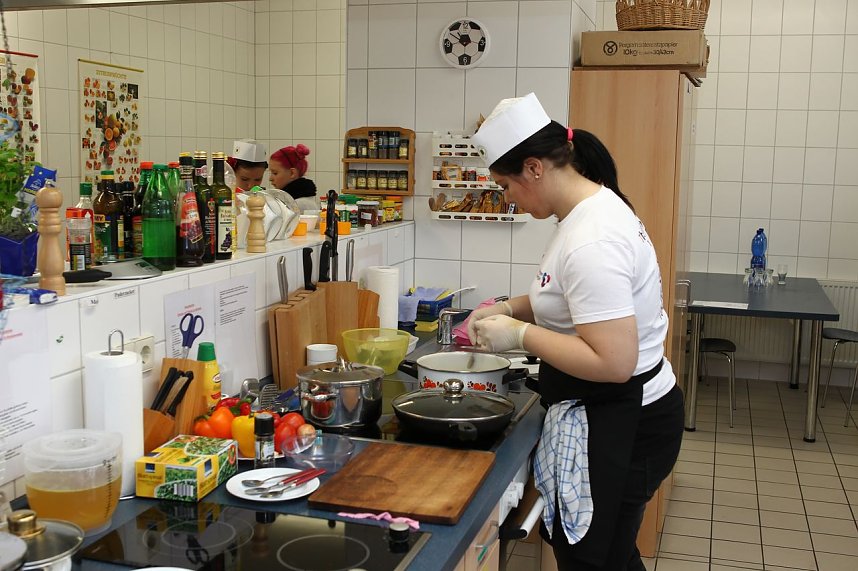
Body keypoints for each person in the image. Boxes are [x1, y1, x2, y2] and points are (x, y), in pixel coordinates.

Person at [469, 93, 684, 570]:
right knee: (611, 558)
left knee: (596, 562)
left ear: (534, 168)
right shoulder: (582, 213)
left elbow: (613, 362)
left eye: (505, 185)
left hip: (628, 421)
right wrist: (507, 308)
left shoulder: (593, 237)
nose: (506, 198)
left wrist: (519, 335)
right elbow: (568, 298)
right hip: (619, 413)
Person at [270, 144, 317, 213]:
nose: (270, 178)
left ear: (292, 173)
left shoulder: (299, 204)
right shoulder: (290, 199)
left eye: (275, 173)